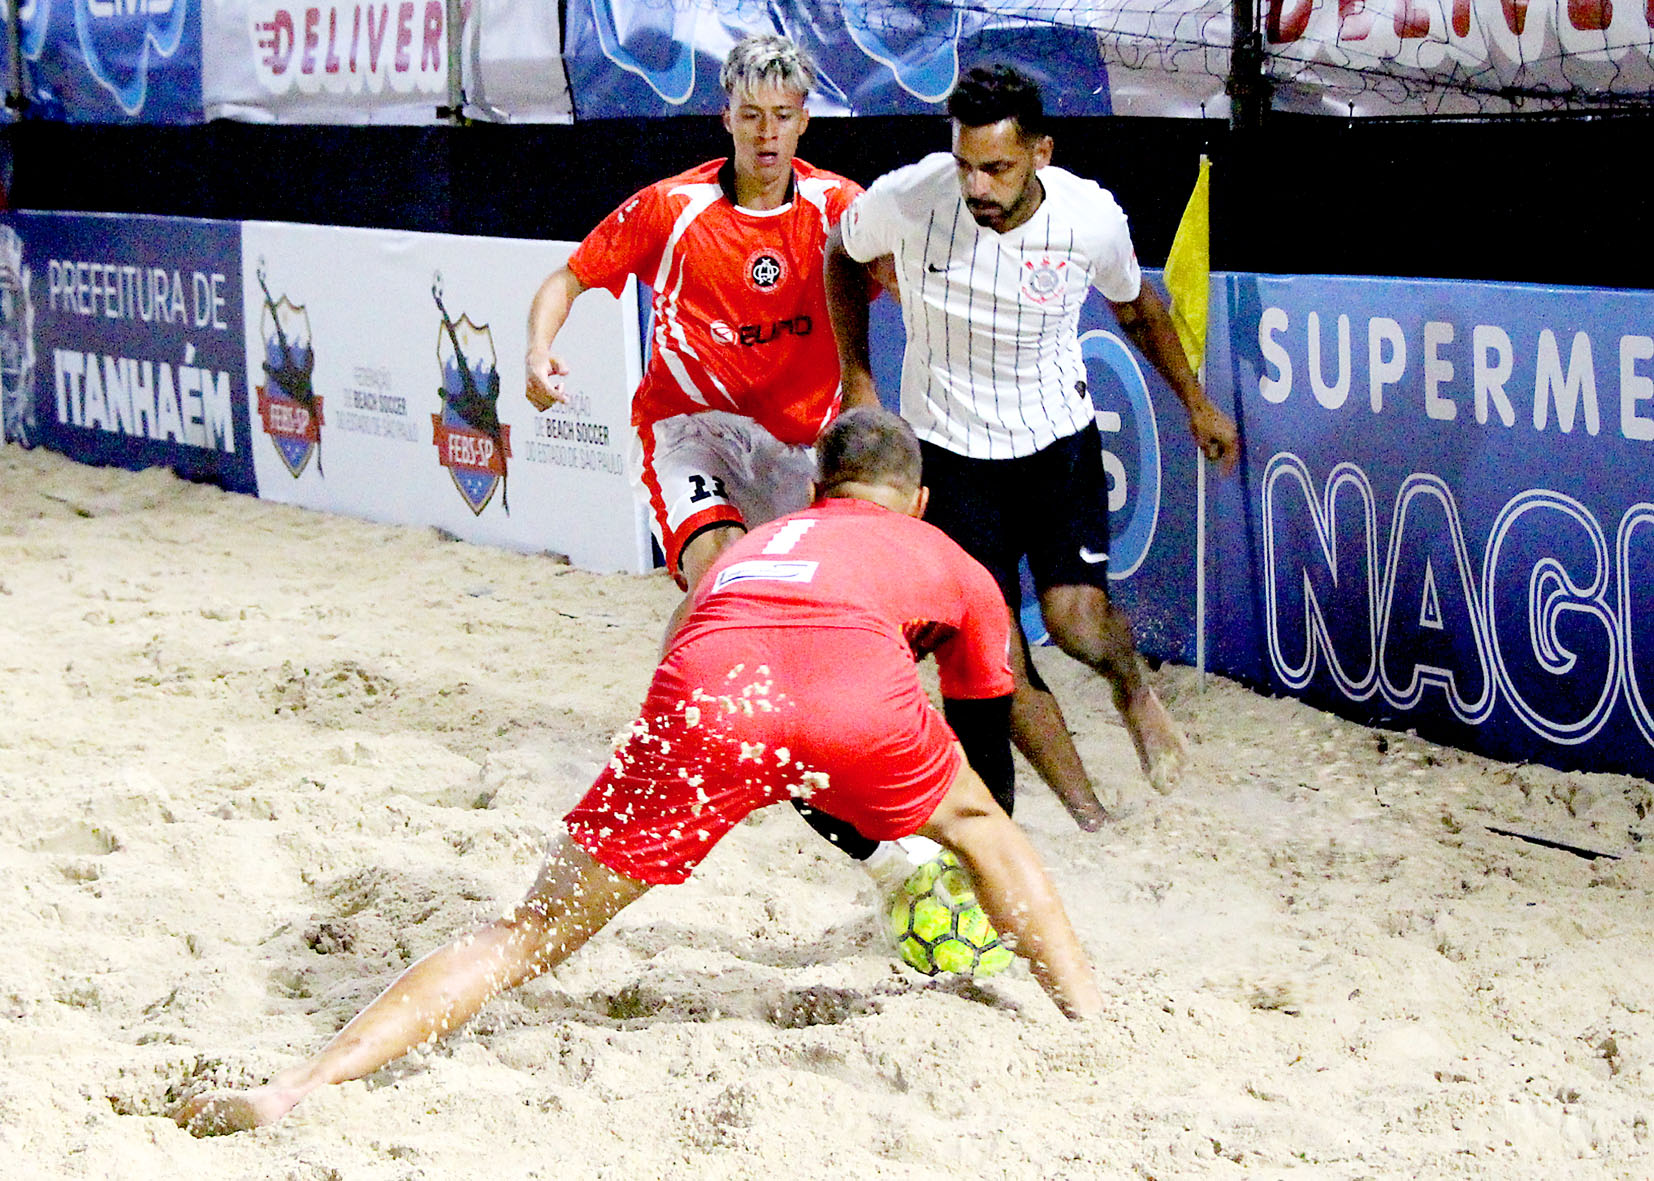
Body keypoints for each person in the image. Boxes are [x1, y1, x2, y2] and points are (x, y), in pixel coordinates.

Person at [172, 408, 1104, 1137]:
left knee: (529, 930)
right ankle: (1090, 1023)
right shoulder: (951, 557)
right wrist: (954, 833)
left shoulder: (754, 544)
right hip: (856, 704)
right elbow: (984, 725)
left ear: (816, 488)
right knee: (986, 830)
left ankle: (300, 1086)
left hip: (706, 697)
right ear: (920, 499)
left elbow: (681, 650)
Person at [824, 65, 1240, 830]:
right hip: (949, 456)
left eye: (997, 168)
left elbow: (1137, 309)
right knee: (997, 655)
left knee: (1077, 621)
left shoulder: (1090, 218)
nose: (976, 186)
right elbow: (841, 254)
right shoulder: (910, 200)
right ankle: (1092, 817)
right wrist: (858, 375)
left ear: (1040, 153)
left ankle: (1131, 688)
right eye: (965, 165)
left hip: (1056, 443)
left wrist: (1195, 402)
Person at [524, 32, 884, 635]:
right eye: (751, 115)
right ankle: (674, 698)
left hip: (798, 443)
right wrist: (539, 351)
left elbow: (902, 279)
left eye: (781, 116)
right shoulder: (673, 208)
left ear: (803, 121)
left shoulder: (840, 208)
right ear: (726, 118)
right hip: (693, 430)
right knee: (722, 578)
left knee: (801, 609)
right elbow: (568, 278)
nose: (766, 133)